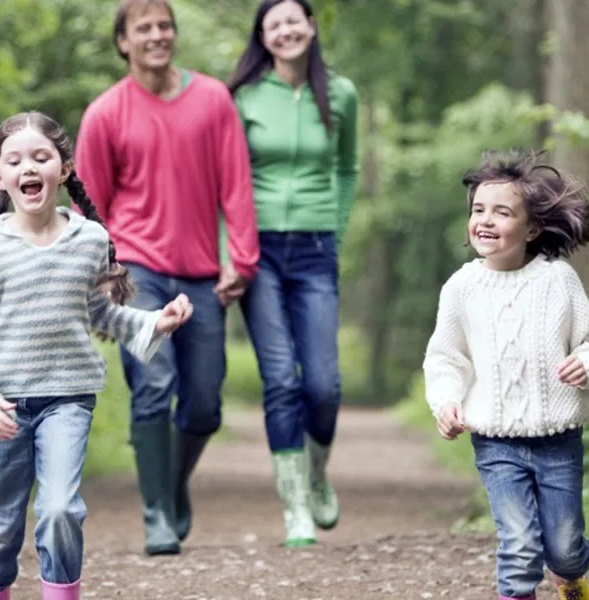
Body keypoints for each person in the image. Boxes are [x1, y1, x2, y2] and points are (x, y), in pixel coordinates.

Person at [0, 111, 193, 600]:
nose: (29, 168)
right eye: (15, 160)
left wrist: (153, 322)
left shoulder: (90, 240)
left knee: (60, 509)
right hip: (3, 407)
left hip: (68, 398)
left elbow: (100, 313)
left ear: (63, 169)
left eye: (42, 157)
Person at [74, 0, 259, 556]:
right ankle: (156, 512)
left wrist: (240, 259)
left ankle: (170, 485)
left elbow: (236, 184)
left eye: (164, 26)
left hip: (202, 273)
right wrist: (103, 274)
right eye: (144, 28)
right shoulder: (105, 113)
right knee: (154, 385)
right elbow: (89, 206)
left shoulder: (213, 100)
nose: (157, 35)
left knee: (204, 402)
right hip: (137, 269)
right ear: (124, 42)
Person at [422, 149, 589, 600]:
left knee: (564, 548)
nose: (485, 220)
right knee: (519, 546)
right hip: (496, 441)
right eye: (478, 210)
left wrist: (587, 363)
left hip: (558, 438)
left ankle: (569, 576)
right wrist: (446, 401)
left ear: (531, 228)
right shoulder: (461, 288)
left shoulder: (558, 280)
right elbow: (446, 358)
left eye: (501, 212)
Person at [225, 0, 359, 547]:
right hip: (258, 254)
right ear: (263, 36)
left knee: (323, 384)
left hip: (316, 250)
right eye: (273, 24)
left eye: (293, 20)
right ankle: (295, 507)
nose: (285, 30)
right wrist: (229, 253)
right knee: (281, 380)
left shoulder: (342, 93)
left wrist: (337, 229)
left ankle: (317, 472)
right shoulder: (244, 98)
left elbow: (347, 169)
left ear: (310, 27)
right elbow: (228, 181)